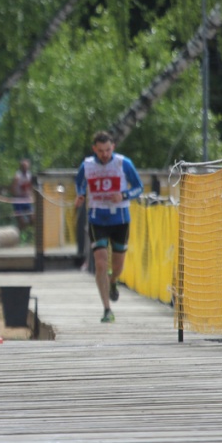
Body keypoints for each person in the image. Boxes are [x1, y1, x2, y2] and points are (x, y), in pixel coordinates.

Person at [74, 131, 144, 324]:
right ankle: (107, 309)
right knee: (101, 263)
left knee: (118, 265)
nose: (104, 154)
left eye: (107, 150)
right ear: (94, 149)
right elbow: (79, 183)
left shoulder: (123, 163)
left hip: (120, 219)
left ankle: (113, 281)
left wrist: (123, 195)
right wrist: (80, 195)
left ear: (113, 147)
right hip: (97, 218)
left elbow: (139, 187)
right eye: (100, 151)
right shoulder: (87, 165)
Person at [11, 158, 35, 234]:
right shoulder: (17, 176)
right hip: (18, 200)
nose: (25, 168)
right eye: (23, 166)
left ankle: (27, 230)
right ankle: (15, 233)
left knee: (33, 219)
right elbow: (13, 188)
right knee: (21, 222)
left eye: (26, 166)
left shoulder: (29, 175)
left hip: (26, 199)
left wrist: (31, 195)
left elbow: (31, 187)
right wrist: (16, 196)